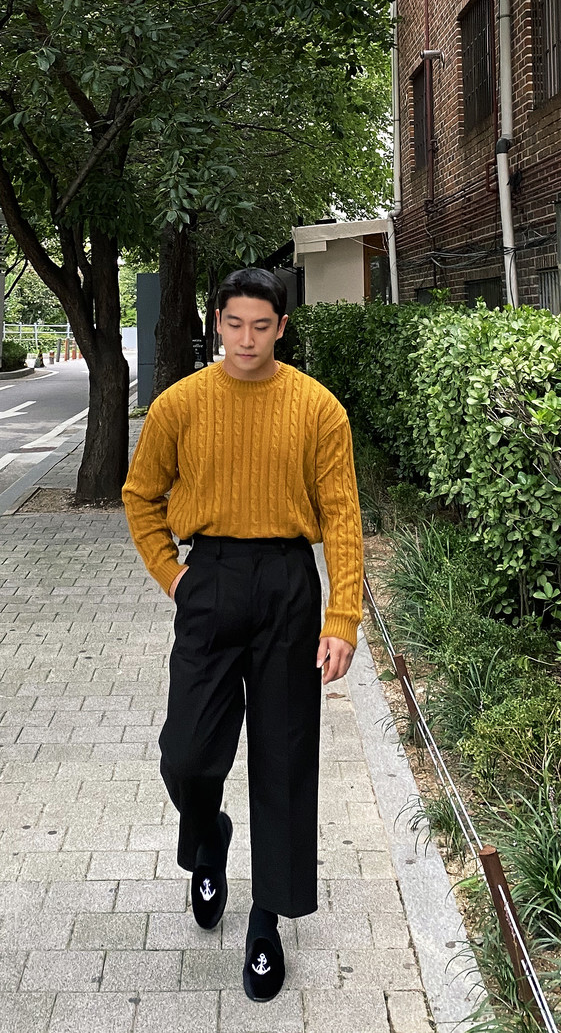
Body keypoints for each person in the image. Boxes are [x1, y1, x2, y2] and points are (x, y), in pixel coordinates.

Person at [122, 267, 363, 1003]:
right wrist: (174, 577)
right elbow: (140, 494)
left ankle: (267, 918)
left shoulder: (318, 409)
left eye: (262, 326)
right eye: (235, 324)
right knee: (187, 752)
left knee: (284, 759)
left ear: (281, 327)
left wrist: (343, 618)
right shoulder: (180, 404)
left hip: (289, 583)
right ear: (217, 324)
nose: (247, 339)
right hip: (211, 578)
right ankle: (209, 837)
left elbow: (343, 515)